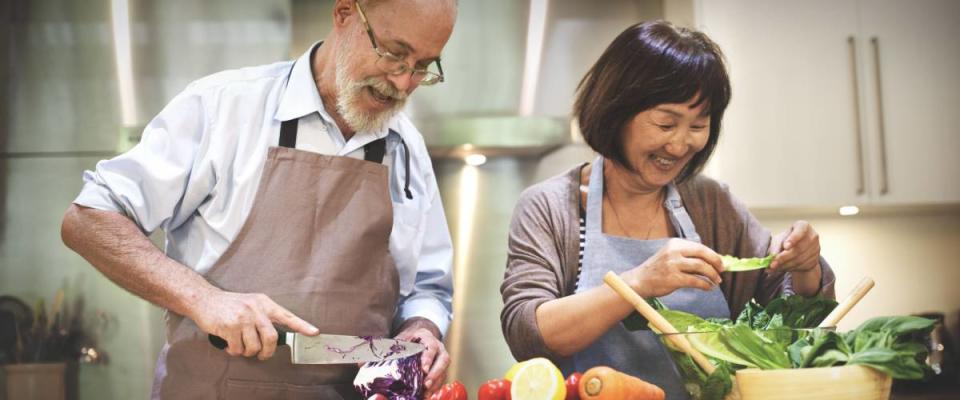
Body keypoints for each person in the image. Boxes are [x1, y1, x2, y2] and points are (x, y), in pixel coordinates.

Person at [60, 0, 457, 398]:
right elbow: (89, 218)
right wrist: (204, 299)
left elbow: (428, 286)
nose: (404, 82)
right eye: (394, 54)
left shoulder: (407, 148)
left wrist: (421, 328)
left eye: (424, 66)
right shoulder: (224, 107)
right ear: (344, 14)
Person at [500, 20, 836, 399]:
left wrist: (805, 266)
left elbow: (791, 320)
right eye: (665, 122)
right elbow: (527, 333)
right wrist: (639, 283)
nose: (679, 145)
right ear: (616, 111)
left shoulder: (711, 203)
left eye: (698, 125)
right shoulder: (549, 207)